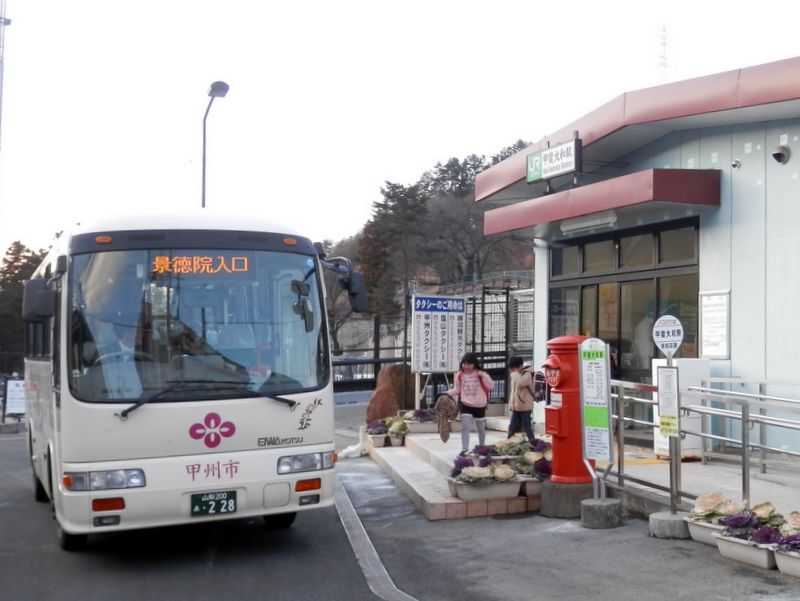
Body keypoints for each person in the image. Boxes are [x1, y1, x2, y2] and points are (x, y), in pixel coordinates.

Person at [446, 352, 494, 456]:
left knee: (480, 428)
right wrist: (445, 394)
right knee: (465, 427)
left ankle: (482, 447)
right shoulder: (460, 375)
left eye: (469, 364)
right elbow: (457, 389)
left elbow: (491, 386)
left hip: (480, 406)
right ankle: (464, 449)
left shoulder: (481, 374)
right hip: (466, 405)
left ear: (474, 364)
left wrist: (483, 375)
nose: (466, 366)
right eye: (464, 364)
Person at [506, 356, 535, 441]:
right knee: (512, 428)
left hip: (525, 406)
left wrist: (514, 373)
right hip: (516, 407)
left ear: (520, 366)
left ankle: (534, 444)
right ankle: (508, 443)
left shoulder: (528, 373)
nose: (511, 371)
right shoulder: (516, 374)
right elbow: (513, 391)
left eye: (513, 368)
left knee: (527, 428)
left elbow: (521, 383)